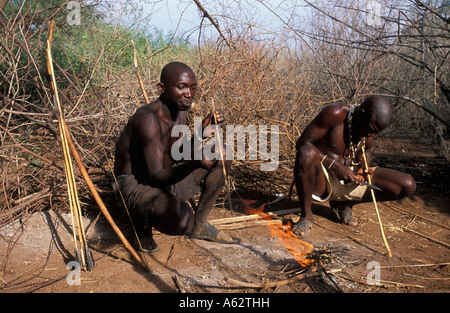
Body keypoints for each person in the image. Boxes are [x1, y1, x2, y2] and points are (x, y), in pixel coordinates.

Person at [113, 62, 237, 253]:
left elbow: (178, 154)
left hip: (164, 181)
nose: (189, 93)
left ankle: (200, 225)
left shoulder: (180, 112)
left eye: (193, 87)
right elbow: (155, 175)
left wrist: (201, 133)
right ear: (162, 88)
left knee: (223, 152)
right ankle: (139, 221)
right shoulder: (147, 119)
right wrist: (195, 162)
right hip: (135, 184)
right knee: (182, 218)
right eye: (182, 87)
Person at [292, 95, 416, 238]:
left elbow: (367, 150)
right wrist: (335, 166)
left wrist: (364, 167)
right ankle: (306, 216)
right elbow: (302, 143)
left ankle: (344, 204)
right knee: (306, 153)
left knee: (407, 185)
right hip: (323, 180)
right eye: (371, 130)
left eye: (376, 132)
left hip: (350, 179)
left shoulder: (368, 127)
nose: (371, 134)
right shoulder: (335, 114)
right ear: (361, 113)